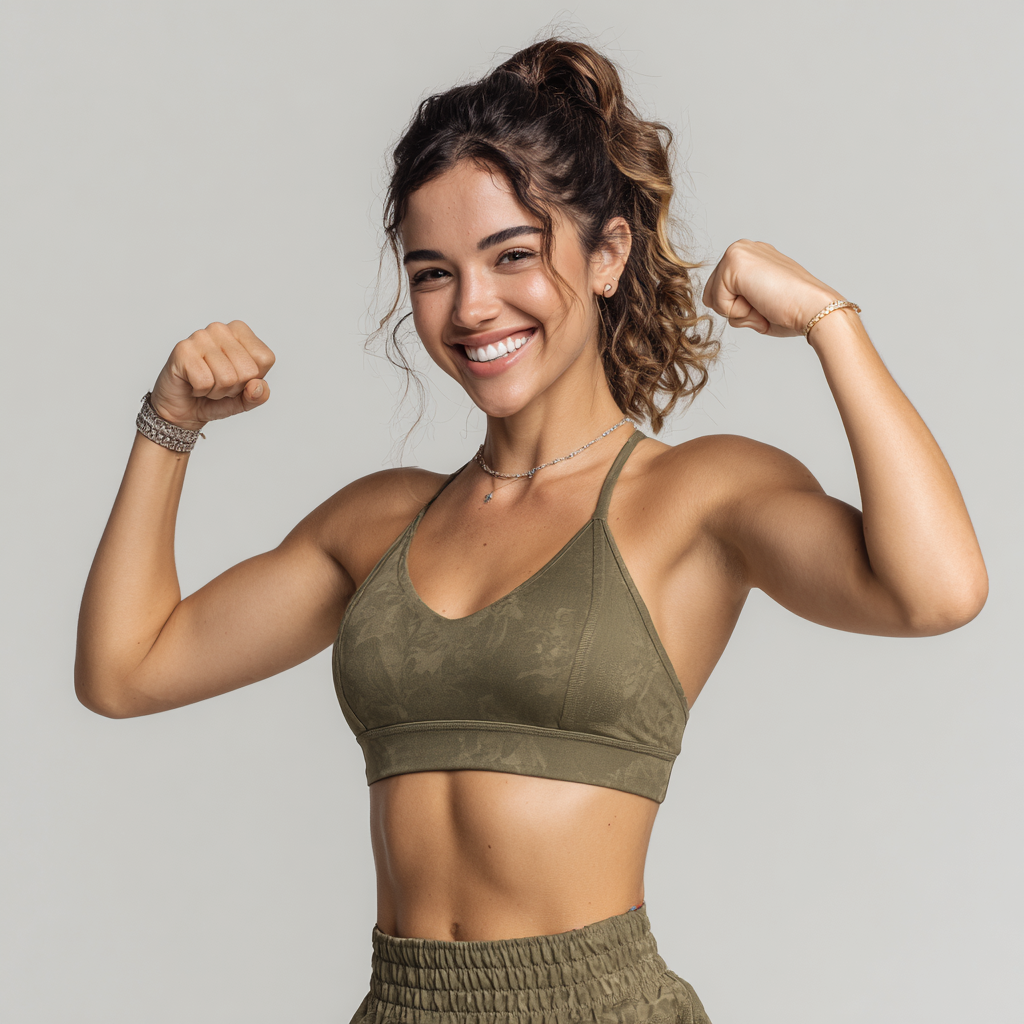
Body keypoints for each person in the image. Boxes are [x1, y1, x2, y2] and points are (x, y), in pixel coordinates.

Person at [75, 38, 987, 1024]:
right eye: (433, 272)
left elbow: (935, 589)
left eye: (512, 255)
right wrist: (169, 425)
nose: (472, 307)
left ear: (606, 253)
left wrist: (828, 322)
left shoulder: (696, 498)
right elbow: (126, 670)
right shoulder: (376, 519)